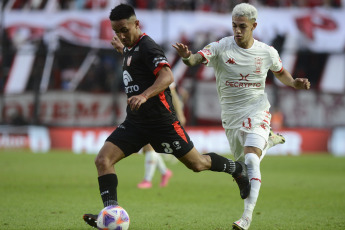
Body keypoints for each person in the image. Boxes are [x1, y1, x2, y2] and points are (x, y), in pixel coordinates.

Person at [83, 4, 251, 228]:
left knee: (198, 164)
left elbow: (167, 76)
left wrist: (144, 95)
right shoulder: (129, 48)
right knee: (103, 160)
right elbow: (135, 62)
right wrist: (122, 50)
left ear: (136, 24)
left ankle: (237, 169)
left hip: (162, 122)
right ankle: (110, 215)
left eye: (124, 30)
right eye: (116, 32)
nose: (121, 36)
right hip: (135, 122)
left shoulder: (148, 46)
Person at [173, 3, 310, 229]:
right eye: (234, 25)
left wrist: (295, 83)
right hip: (231, 117)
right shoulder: (221, 47)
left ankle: (246, 217)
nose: (237, 30)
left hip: (257, 110)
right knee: (244, 166)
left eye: (242, 26)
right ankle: (269, 140)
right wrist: (187, 57)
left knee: (251, 159)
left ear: (254, 26)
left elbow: (281, 73)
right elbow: (195, 59)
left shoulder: (267, 52)